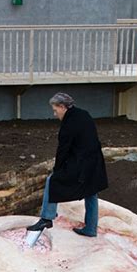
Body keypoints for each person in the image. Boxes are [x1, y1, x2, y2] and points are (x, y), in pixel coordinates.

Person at [27, 93, 108, 237]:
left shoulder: (69, 124)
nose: (54, 114)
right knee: (91, 192)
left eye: (55, 110)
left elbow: (63, 150)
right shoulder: (84, 114)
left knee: (52, 180)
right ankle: (91, 228)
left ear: (62, 107)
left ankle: (46, 218)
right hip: (95, 161)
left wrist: (57, 169)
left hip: (81, 163)